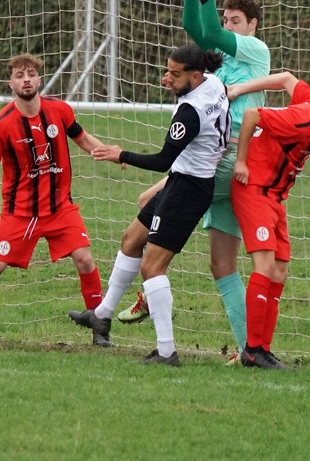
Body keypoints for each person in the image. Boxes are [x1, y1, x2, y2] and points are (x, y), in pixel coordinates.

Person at [116, 0, 270, 363]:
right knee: (222, 265)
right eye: (226, 19)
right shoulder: (218, 63)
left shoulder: (255, 51)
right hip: (224, 164)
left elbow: (211, 33)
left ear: (253, 26)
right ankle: (250, 349)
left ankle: (150, 289)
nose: (227, 26)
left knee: (148, 207)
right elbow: (194, 26)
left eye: (235, 21)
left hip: (224, 162)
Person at [69, 44, 230, 366]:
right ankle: (101, 315)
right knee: (131, 239)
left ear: (194, 76)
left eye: (175, 74)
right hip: (182, 180)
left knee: (152, 267)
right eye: (167, 71)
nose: (166, 79)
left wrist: (120, 154)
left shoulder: (190, 112)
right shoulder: (214, 82)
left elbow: (162, 161)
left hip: (189, 189)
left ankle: (166, 352)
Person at [0, 53, 109, 348]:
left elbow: (82, 138)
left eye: (31, 74)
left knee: (84, 258)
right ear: (11, 84)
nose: (26, 79)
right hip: (19, 213)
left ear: (39, 79)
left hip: (59, 208)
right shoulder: (2, 124)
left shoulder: (60, 110)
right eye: (19, 75)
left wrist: (111, 153)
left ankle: (100, 329)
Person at [227, 71, 310, 369]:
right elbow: (252, 115)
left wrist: (239, 87)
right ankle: (251, 350)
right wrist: (241, 162)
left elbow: (287, 79)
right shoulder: (300, 122)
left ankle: (263, 349)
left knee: (279, 272)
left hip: (275, 196)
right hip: (254, 189)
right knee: (265, 267)